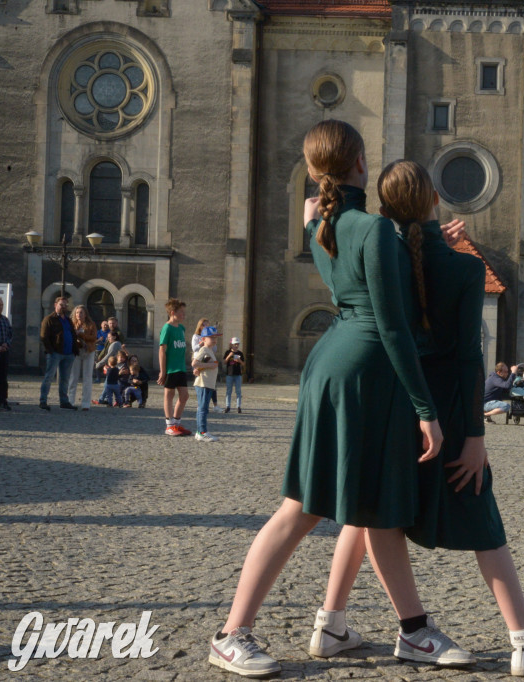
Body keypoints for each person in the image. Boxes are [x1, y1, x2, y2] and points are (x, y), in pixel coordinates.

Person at [210, 120, 457, 678]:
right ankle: (231, 633)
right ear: (361, 165)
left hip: (331, 360)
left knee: (367, 508)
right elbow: (394, 329)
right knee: (307, 506)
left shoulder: (315, 220)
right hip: (365, 369)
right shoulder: (373, 231)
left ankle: (413, 630)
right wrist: (427, 410)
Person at [312, 159, 524, 677]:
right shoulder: (465, 268)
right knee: (482, 520)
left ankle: (330, 622)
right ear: (433, 200)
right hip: (446, 405)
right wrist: (474, 433)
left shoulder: (393, 251)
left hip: (399, 397)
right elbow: (471, 357)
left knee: (368, 514)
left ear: (385, 207)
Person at [39, 296, 80, 410]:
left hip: (69, 353)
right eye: (61, 305)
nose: (64, 307)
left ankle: (64, 401)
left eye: (66, 305)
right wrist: (50, 351)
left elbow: (72, 334)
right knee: (49, 377)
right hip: (55, 353)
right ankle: (43, 400)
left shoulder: (68, 320)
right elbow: (44, 336)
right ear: (55, 305)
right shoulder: (49, 319)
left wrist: (74, 349)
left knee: (65, 379)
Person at [158, 298, 192, 436]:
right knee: (169, 395)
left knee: (184, 395)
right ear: (173, 313)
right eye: (181, 312)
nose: (184, 315)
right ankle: (169, 426)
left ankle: (176, 424)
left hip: (181, 367)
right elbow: (162, 350)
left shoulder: (182, 328)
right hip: (171, 368)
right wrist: (162, 371)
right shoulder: (167, 328)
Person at [192, 325, 222, 441]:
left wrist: (202, 368)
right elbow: (194, 363)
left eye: (215, 337)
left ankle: (200, 431)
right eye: (211, 337)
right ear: (203, 339)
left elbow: (199, 366)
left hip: (208, 383)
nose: (214, 340)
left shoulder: (209, 350)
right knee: (202, 408)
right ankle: (202, 432)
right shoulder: (204, 349)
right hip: (203, 383)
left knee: (204, 408)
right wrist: (211, 365)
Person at [67, 305, 98, 411]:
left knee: (87, 377)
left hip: (88, 351)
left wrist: (81, 335)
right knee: (73, 377)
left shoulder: (91, 324)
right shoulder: (72, 324)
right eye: (77, 313)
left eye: (81, 313)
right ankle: (70, 401)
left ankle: (85, 403)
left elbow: (94, 337)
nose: (79, 315)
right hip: (76, 351)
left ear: (85, 314)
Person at [192, 318, 224, 413]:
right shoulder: (196, 337)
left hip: (207, 359)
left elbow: (212, 352)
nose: (206, 326)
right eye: (204, 325)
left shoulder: (210, 345)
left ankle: (214, 405)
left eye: (207, 324)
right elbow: (195, 350)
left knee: (211, 385)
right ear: (200, 326)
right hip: (199, 358)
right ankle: (201, 407)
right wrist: (202, 343)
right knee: (202, 407)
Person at [223, 337, 245, 413]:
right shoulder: (227, 352)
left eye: (237, 344)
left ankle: (238, 406)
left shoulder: (240, 353)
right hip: (229, 374)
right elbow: (224, 362)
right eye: (235, 344)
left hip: (238, 374)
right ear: (231, 344)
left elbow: (243, 364)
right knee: (229, 391)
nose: (236, 345)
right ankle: (227, 406)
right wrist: (229, 356)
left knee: (238, 391)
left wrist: (239, 361)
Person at [0, 296, 11, 411]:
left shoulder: (5, 320)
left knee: (3, 378)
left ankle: (3, 400)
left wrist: (6, 344)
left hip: (4, 352)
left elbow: (10, 335)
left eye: (1, 305)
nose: (0, 307)